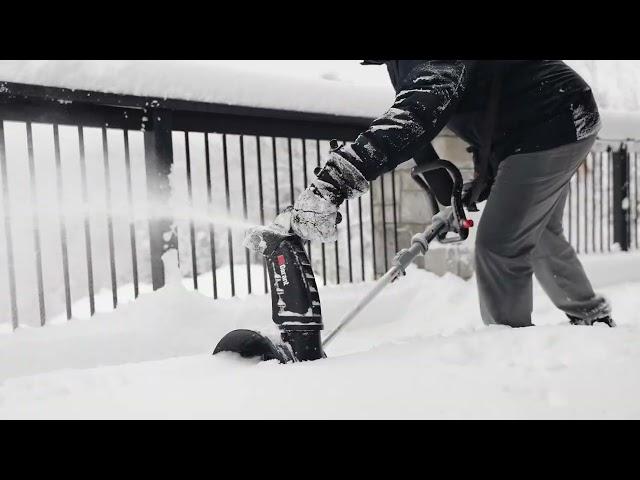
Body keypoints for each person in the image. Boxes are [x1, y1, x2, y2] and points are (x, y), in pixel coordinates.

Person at [286, 60, 614, 328]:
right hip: (546, 118)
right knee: (540, 231)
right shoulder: (399, 64)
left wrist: (335, 180)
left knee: (500, 245)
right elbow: (479, 108)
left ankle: (509, 346)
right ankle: (592, 319)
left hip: (552, 118)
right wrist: (472, 190)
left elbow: (414, 117)